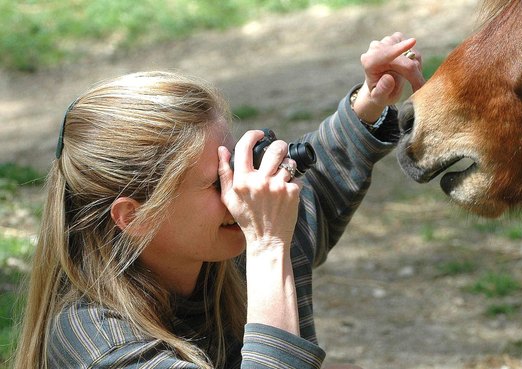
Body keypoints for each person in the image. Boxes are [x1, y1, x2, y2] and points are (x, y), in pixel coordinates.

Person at [12, 32, 424, 369]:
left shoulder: (224, 257)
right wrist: (267, 245)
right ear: (134, 216)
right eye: (219, 181)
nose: (244, 188)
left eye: (241, 165)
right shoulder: (96, 344)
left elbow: (318, 191)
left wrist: (368, 104)